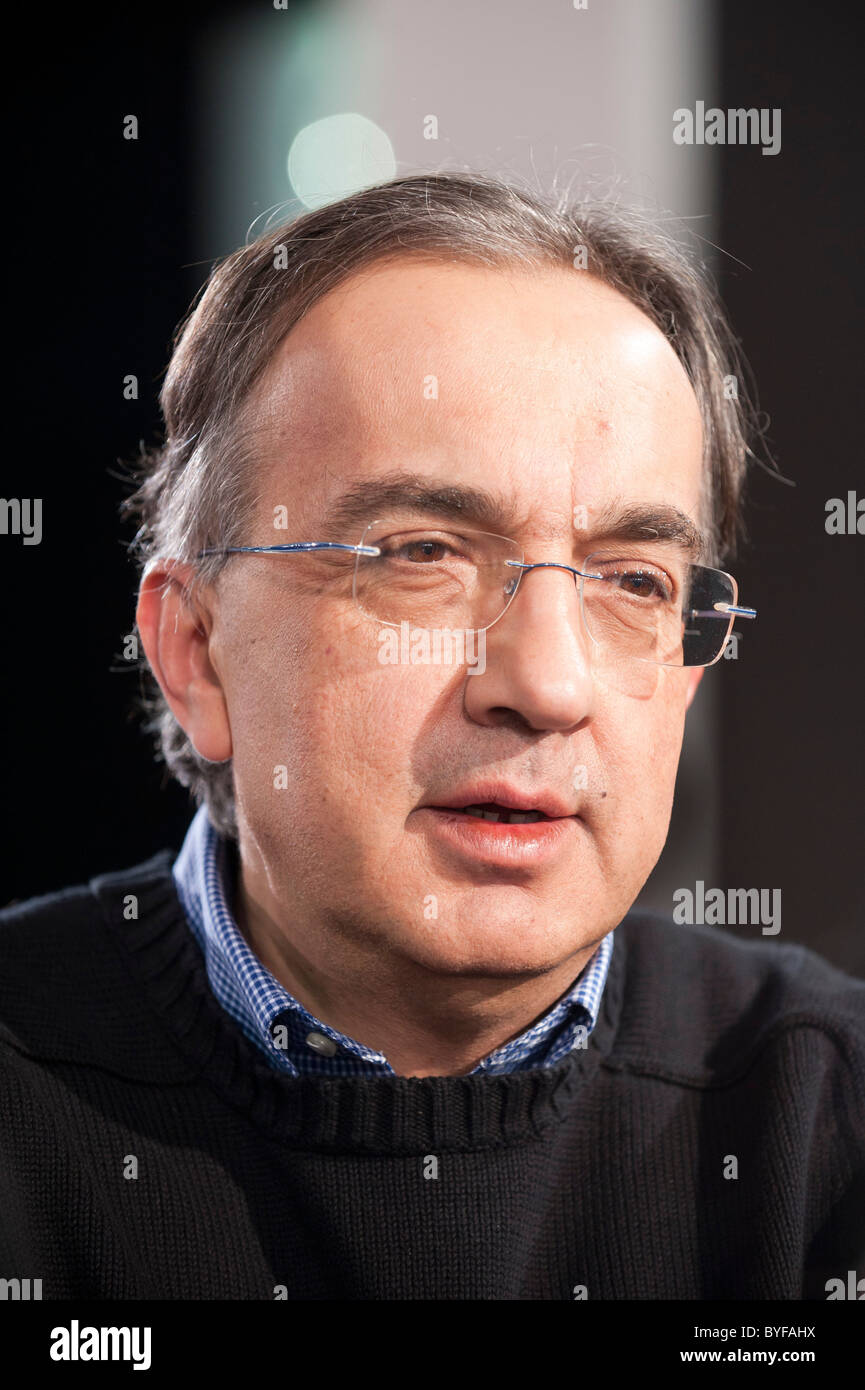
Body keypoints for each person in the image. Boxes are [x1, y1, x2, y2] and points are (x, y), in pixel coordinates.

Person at [1, 173, 862, 1300]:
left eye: (634, 582)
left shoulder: (824, 1114)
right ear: (197, 651)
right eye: (421, 555)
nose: (548, 684)